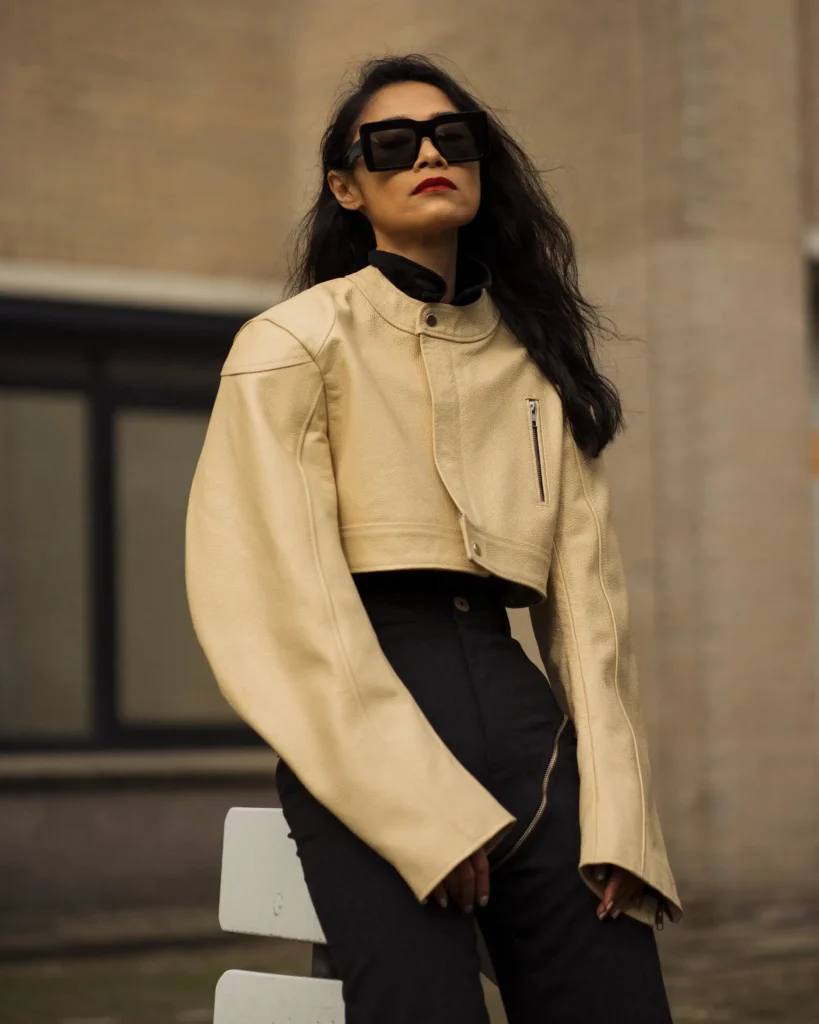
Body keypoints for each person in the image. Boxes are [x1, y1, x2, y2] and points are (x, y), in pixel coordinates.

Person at [186, 53, 682, 1024]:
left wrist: (621, 817)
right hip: (367, 722)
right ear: (347, 184)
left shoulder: (539, 371)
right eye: (392, 143)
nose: (427, 154)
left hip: (530, 737)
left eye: (453, 138)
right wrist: (415, 804)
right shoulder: (291, 344)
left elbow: (592, 614)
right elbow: (276, 597)